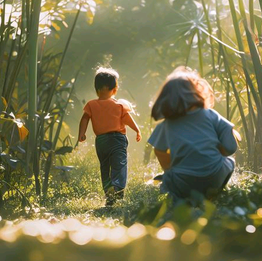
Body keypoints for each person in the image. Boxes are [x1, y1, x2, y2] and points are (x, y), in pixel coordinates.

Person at [148, 67, 238, 202]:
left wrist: (170, 170)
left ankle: (180, 197)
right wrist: (219, 150)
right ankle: (214, 193)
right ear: (197, 92)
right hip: (214, 175)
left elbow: (159, 151)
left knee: (169, 180)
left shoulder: (166, 125)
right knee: (230, 162)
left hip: (183, 181)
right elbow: (230, 147)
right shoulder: (210, 114)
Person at [77, 67, 142, 206]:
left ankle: (108, 192)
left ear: (97, 88)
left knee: (105, 166)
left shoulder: (91, 105)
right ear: (114, 88)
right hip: (117, 139)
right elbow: (128, 119)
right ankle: (117, 190)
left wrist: (81, 133)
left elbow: (84, 119)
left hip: (101, 141)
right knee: (119, 166)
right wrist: (137, 130)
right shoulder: (119, 105)